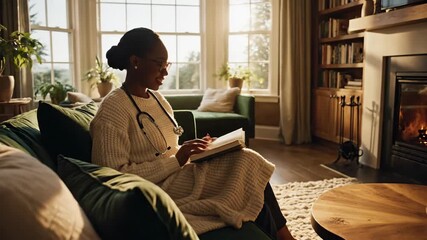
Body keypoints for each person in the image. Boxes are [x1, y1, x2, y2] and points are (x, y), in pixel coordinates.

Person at [90, 27, 295, 240]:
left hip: (178, 175)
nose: (165, 72)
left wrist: (198, 148)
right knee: (246, 163)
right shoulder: (113, 109)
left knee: (246, 168)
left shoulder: (157, 99)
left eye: (166, 64)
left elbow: (167, 150)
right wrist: (178, 159)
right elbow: (112, 177)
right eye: (159, 64)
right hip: (157, 189)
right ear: (135, 61)